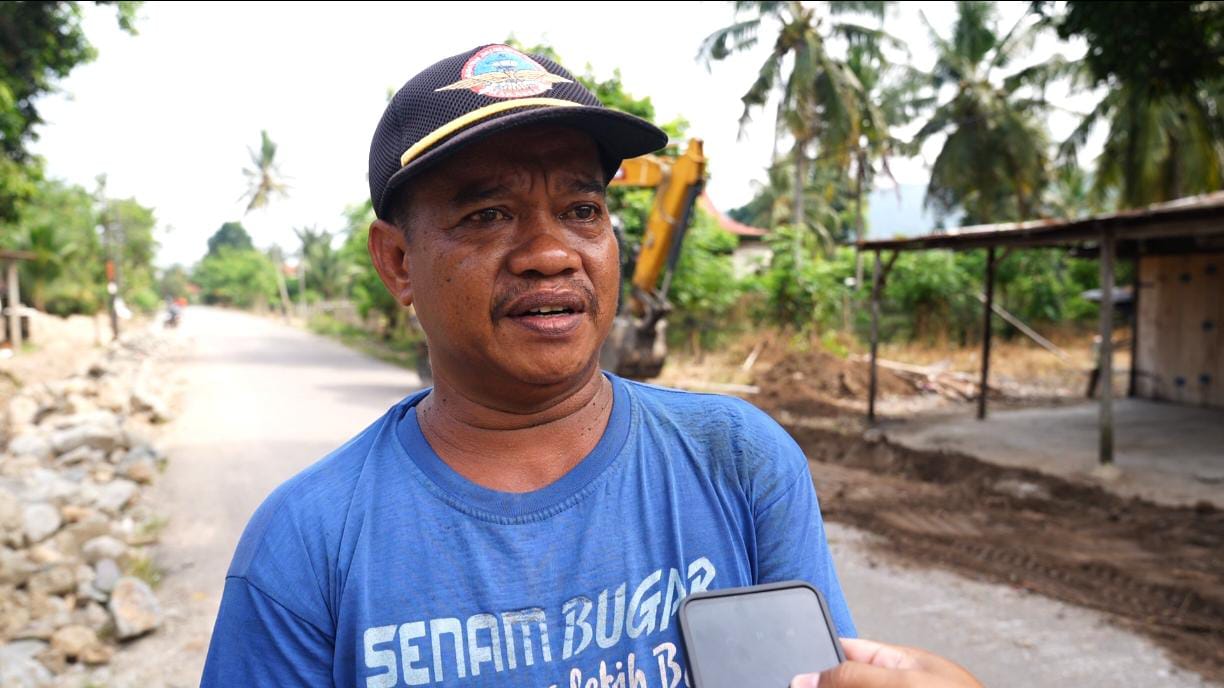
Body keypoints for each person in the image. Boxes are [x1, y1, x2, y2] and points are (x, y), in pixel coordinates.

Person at [201, 43, 980, 688]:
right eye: (488, 214)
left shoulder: (739, 461)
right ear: (398, 261)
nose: (551, 254)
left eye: (581, 210)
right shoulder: (308, 544)